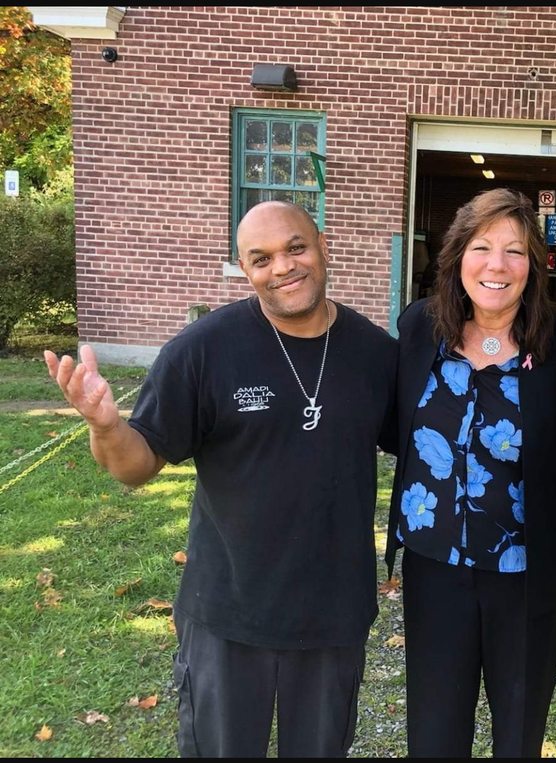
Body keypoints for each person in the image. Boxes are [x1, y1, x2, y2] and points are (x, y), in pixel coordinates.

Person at [44, 200, 398, 757]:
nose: (282, 267)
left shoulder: (377, 355)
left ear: (323, 245)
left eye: (295, 248)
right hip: (227, 612)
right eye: (261, 259)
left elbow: (426, 449)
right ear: (244, 268)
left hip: (334, 614)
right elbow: (136, 467)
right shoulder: (201, 352)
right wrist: (107, 427)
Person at [384, 188, 556, 757]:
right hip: (434, 568)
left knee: (518, 734)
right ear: (456, 257)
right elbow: (387, 425)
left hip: (528, 577)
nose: (497, 265)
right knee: (434, 730)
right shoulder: (418, 329)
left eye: (516, 251)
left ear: (535, 266)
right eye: (482, 247)